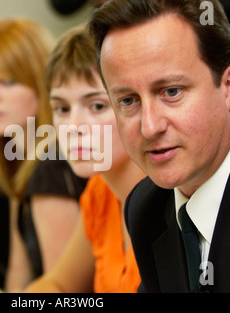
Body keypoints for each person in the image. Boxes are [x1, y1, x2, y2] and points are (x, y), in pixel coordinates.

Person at [88, 0, 230, 292]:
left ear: (228, 85)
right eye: (128, 100)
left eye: (171, 91)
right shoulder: (147, 208)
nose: (149, 127)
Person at [0, 18, 87, 292]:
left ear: (40, 83)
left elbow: (65, 292)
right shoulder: (20, 159)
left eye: (8, 81)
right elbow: (18, 271)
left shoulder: (53, 166)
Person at [25, 24, 145, 293]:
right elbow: (57, 284)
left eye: (97, 106)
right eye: (62, 108)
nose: (73, 126)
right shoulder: (100, 192)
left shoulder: (169, 199)